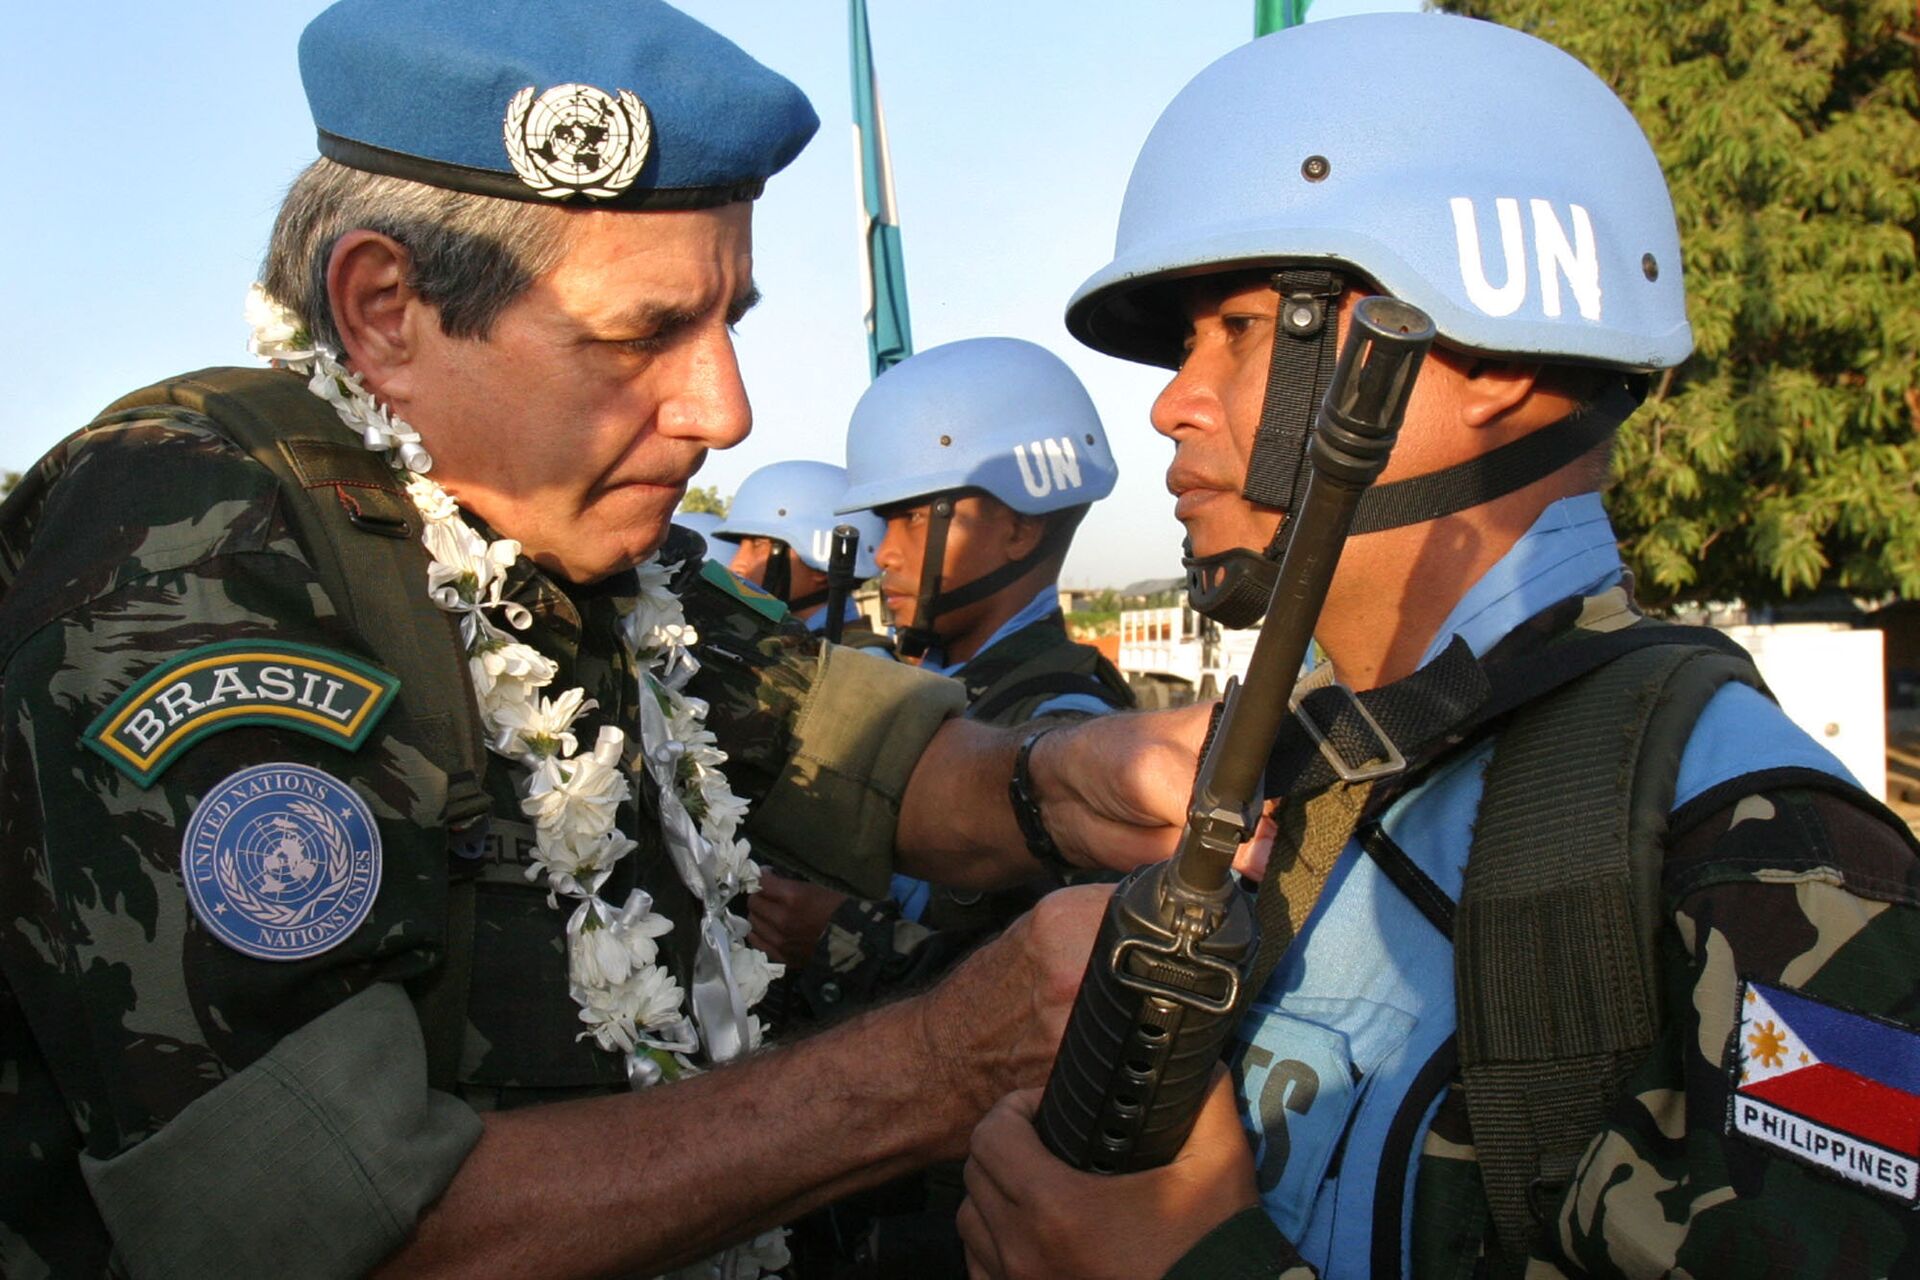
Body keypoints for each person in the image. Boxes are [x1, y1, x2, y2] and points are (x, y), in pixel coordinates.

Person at [0, 4, 1209, 1276]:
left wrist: (1069, 782)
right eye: (642, 333)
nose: (725, 409)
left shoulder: (580, 551)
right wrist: (944, 1058)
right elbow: (327, 1228)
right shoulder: (189, 544)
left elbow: (855, 748)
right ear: (385, 310)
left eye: (730, 318)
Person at [958, 13, 1920, 1279]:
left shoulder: (1780, 858)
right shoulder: (1287, 775)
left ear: (1495, 364)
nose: (1170, 399)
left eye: (1241, 328)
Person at [749, 338, 1135, 1014]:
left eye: (911, 517)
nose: (886, 552)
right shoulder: (944, 687)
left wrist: (837, 937)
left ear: (1016, 528)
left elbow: (1055, 997)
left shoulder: (1066, 722)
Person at [709, 459, 888, 641]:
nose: (735, 565)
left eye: (758, 544)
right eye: (741, 546)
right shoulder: (799, 647)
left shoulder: (858, 661)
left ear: (823, 563)